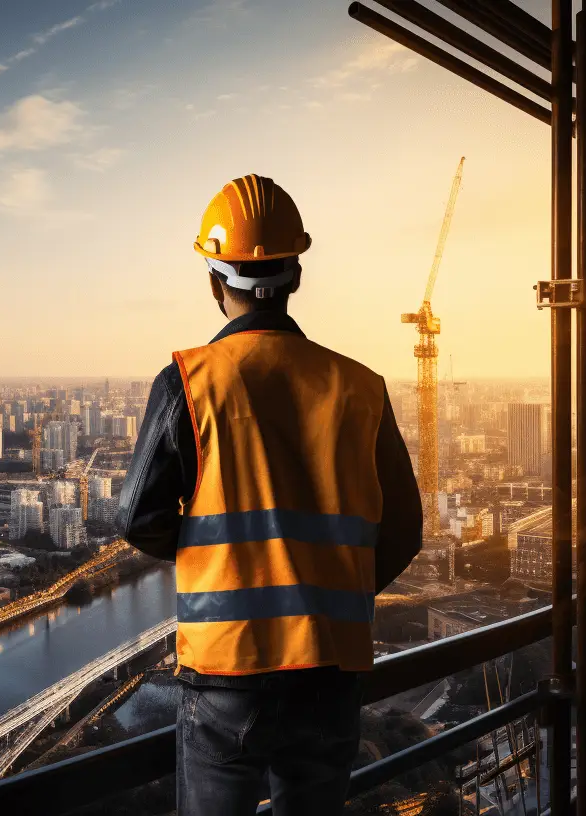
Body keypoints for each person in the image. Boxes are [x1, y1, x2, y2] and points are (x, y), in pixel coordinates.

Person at [116, 174, 423, 816]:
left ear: (213, 279)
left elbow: (138, 517)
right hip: (330, 668)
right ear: (296, 276)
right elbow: (403, 531)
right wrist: (327, 589)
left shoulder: (190, 383)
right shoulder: (361, 387)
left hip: (228, 671)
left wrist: (216, 560)